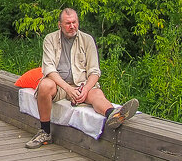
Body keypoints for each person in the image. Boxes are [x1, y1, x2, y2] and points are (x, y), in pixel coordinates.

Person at [25, 8, 138, 148]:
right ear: (59, 24)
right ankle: (45, 132)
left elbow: (94, 71)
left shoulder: (87, 40)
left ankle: (114, 115)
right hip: (59, 85)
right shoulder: (50, 39)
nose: (72, 26)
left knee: (96, 93)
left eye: (74, 22)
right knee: (45, 85)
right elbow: (49, 70)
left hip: (81, 84)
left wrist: (85, 89)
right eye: (67, 23)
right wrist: (68, 89)